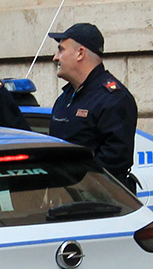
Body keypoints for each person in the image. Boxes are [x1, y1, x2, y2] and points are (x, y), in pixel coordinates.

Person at [48, 23, 139, 192]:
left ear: (80, 53)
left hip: (100, 203)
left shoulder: (113, 98)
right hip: (65, 197)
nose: (55, 57)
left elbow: (115, 159)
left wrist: (76, 183)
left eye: (61, 50)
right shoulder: (65, 97)